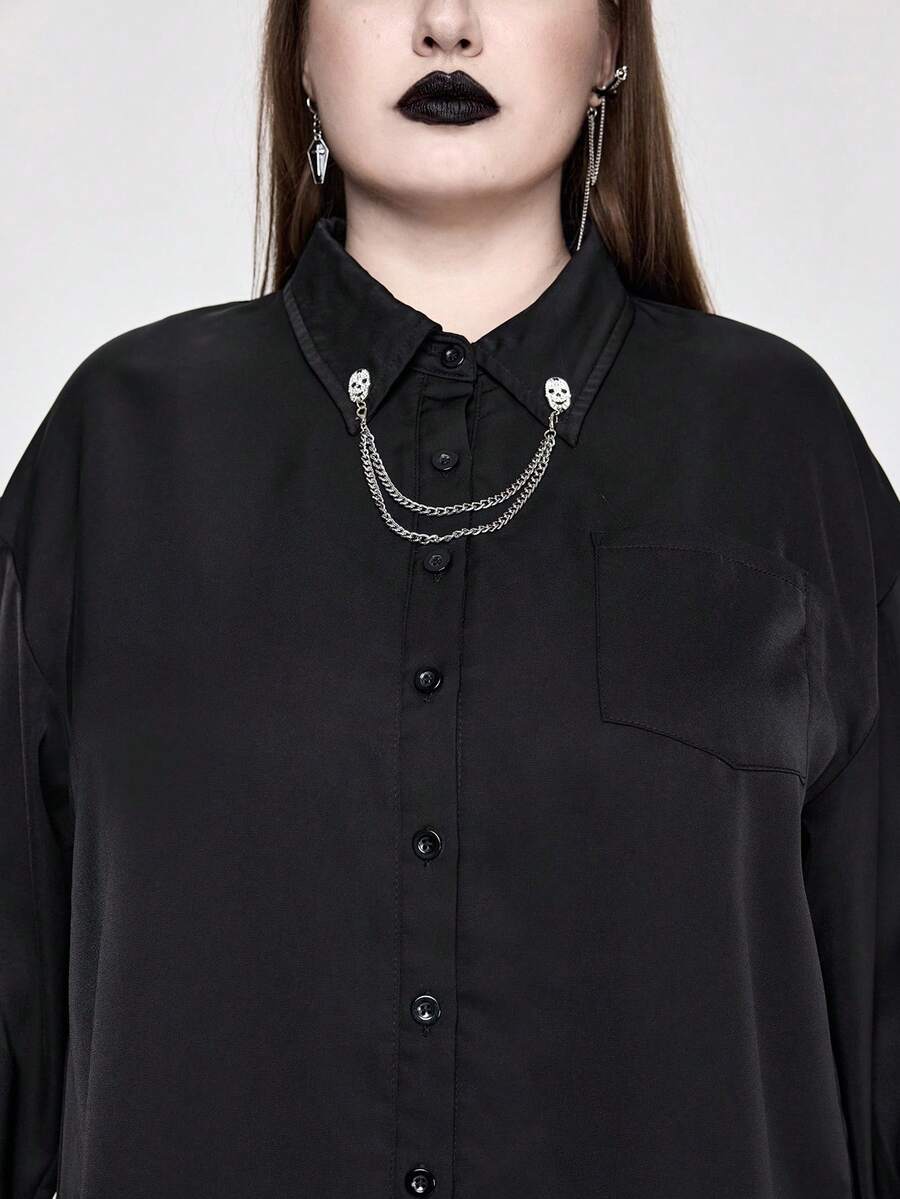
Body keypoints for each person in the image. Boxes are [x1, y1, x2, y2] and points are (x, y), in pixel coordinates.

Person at [2, 2, 898, 1197]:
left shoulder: (776, 448)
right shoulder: (118, 453)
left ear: (613, 42)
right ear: (298, 41)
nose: (447, 24)